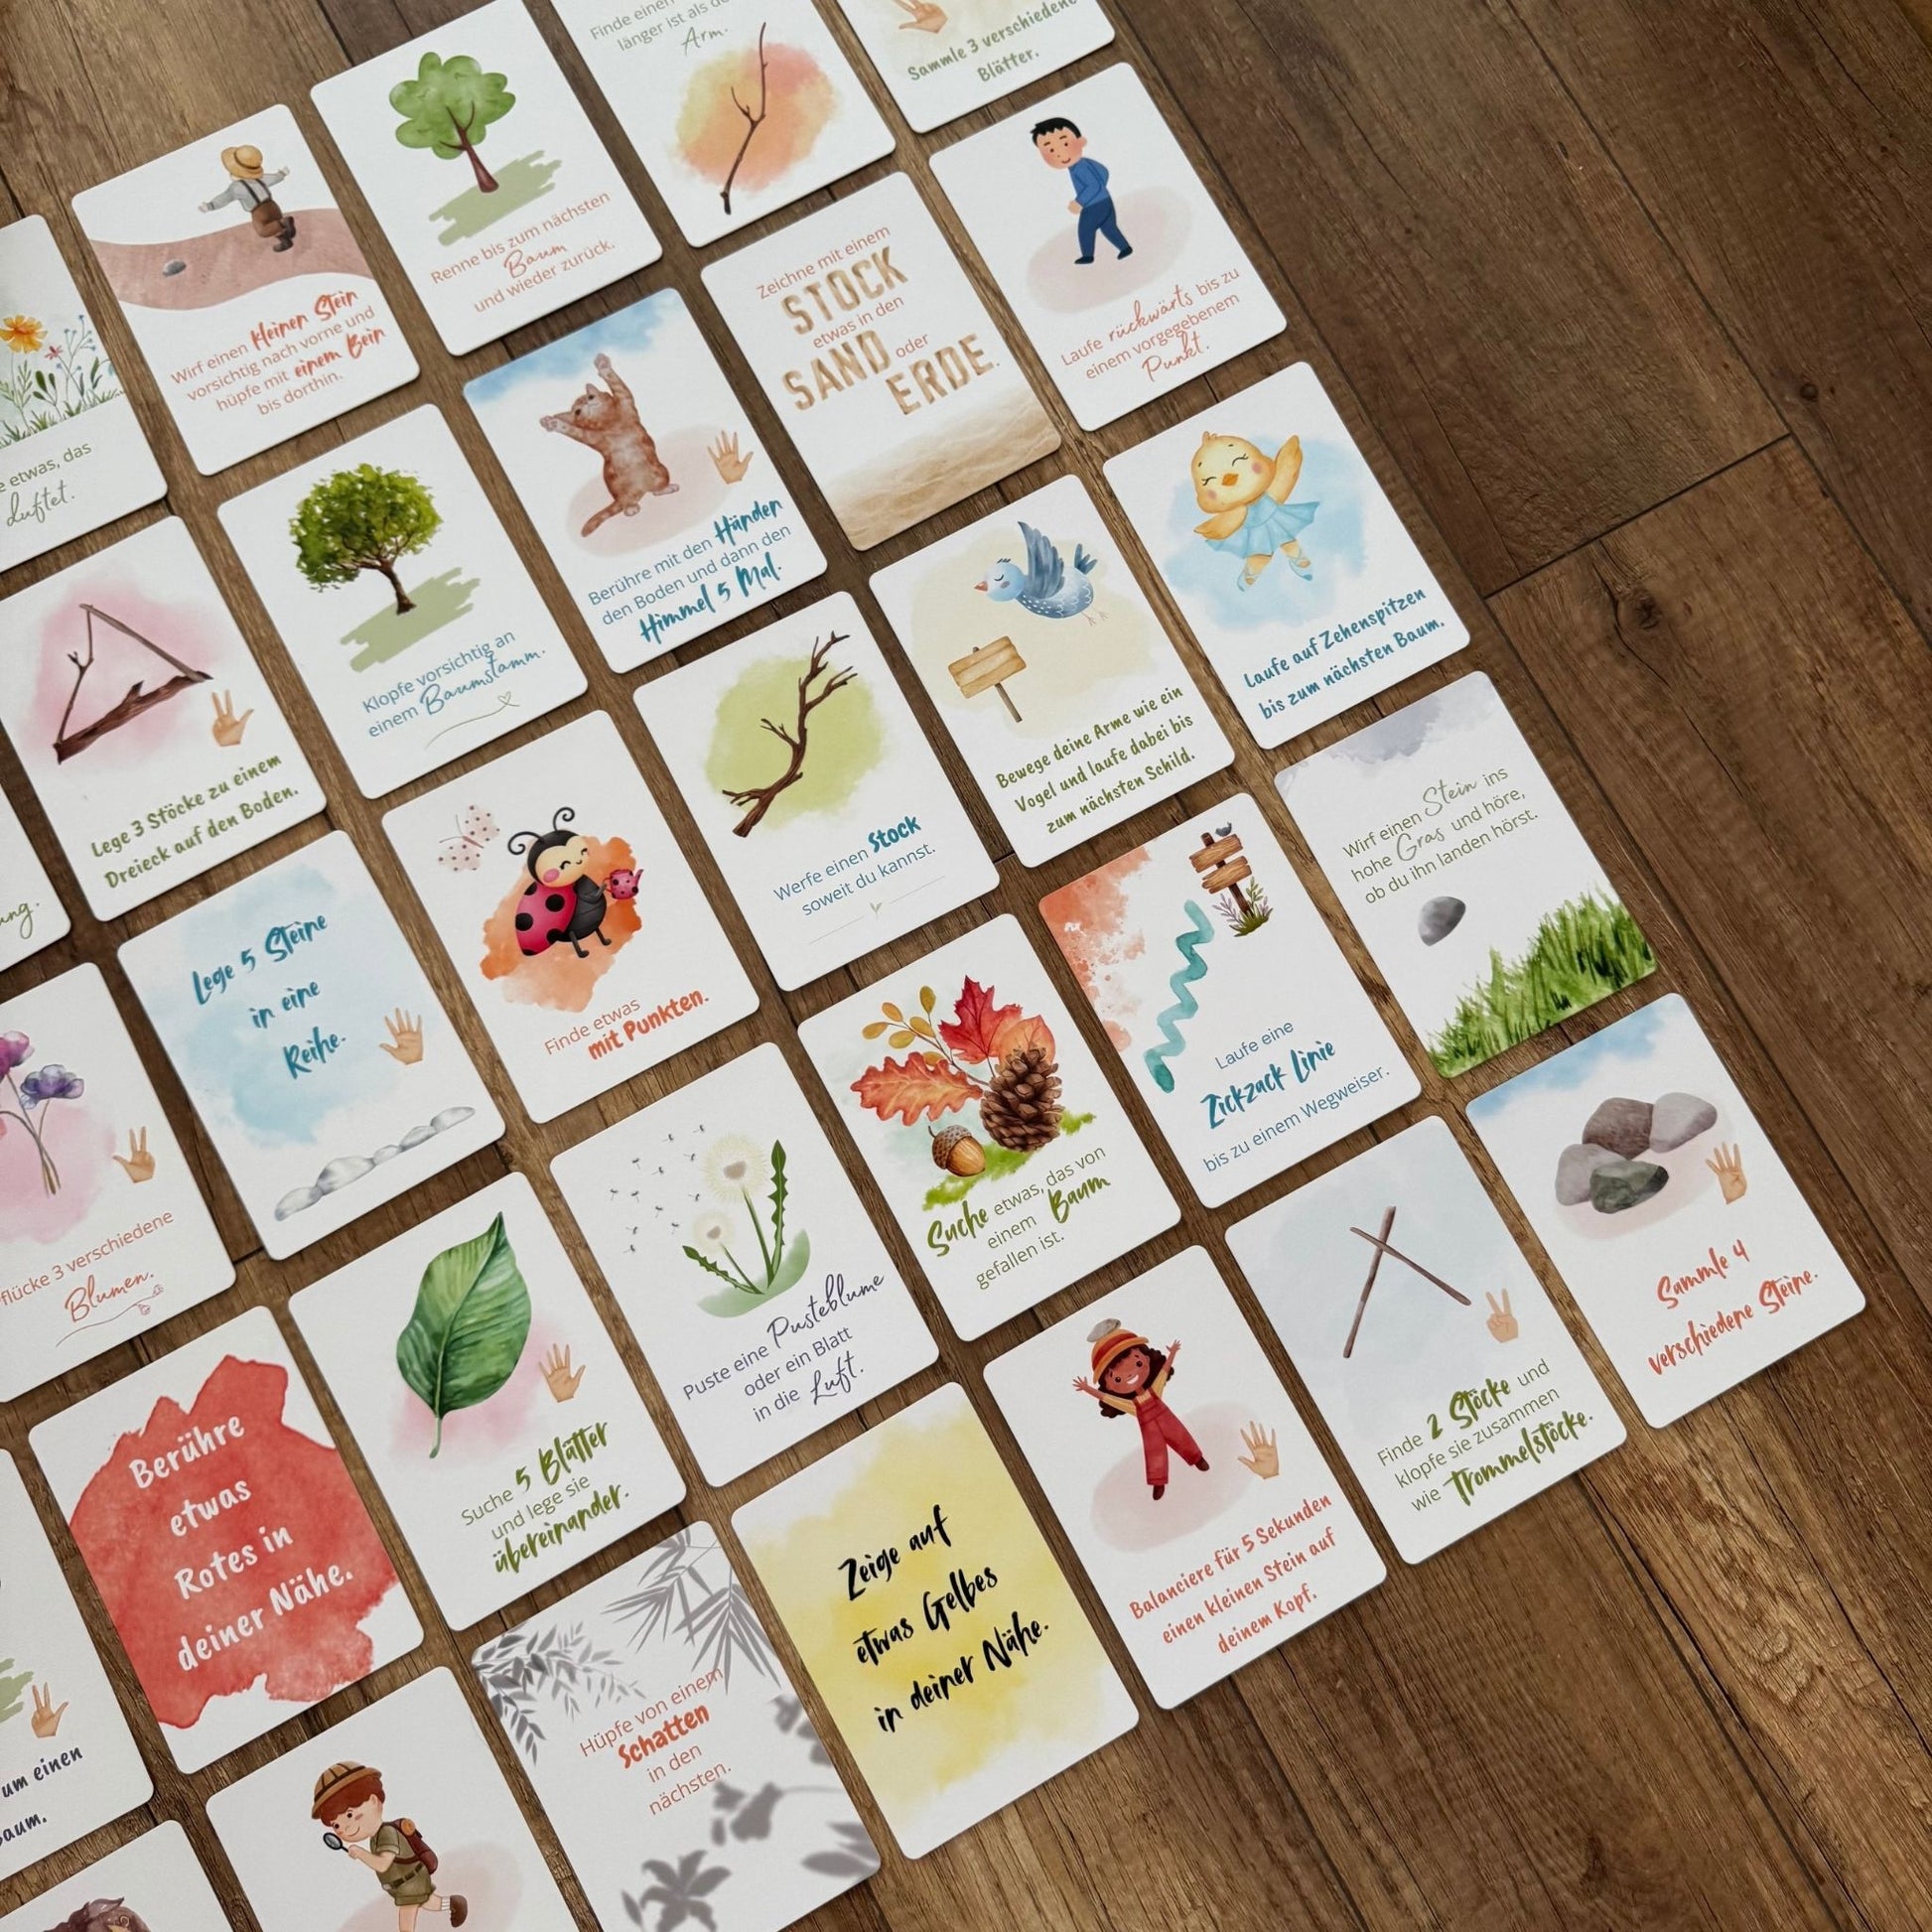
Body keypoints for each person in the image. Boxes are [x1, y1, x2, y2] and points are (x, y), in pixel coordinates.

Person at [311, 1759, 469, 1929]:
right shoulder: (375, 1838)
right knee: (429, 1902)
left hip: (410, 1882)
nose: (344, 1828)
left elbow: (383, 1864)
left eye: (349, 1815)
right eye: (336, 1825)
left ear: (373, 1801)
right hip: (403, 1884)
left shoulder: (387, 1833)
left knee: (406, 1925)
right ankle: (454, 1903)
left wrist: (360, 1853)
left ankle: (454, 1903)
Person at [1073, 1319, 1207, 1500]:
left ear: (1146, 1357)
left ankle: (1197, 1459)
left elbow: (1163, 1372)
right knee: (1154, 1452)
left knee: (1180, 1436)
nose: (1129, 1374)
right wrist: (1088, 1389)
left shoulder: (1154, 1391)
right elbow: (1109, 1399)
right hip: (1149, 1429)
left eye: (1137, 1363)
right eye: (1117, 1379)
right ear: (1108, 1385)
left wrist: (1172, 1353)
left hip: (1167, 1419)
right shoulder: (1131, 1406)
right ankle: (1158, 1482)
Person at [1032, 116, 1132, 265]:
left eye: (1065, 144)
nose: (1060, 153)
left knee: (1085, 229)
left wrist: (1080, 201)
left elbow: (1093, 186)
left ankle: (1088, 255)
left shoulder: (1079, 167)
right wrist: (1102, 189)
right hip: (1106, 200)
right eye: (1051, 150)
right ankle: (1125, 248)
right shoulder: (1083, 163)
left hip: (1094, 205)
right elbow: (1103, 172)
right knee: (1108, 227)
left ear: (1081, 141)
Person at [200, 144, 296, 252]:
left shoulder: (237, 187)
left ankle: (284, 222)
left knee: (263, 230)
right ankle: (285, 240)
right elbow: (273, 178)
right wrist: (281, 174)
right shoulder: (260, 178)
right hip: (272, 206)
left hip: (258, 211)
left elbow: (225, 198)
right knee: (274, 224)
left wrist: (211, 205)